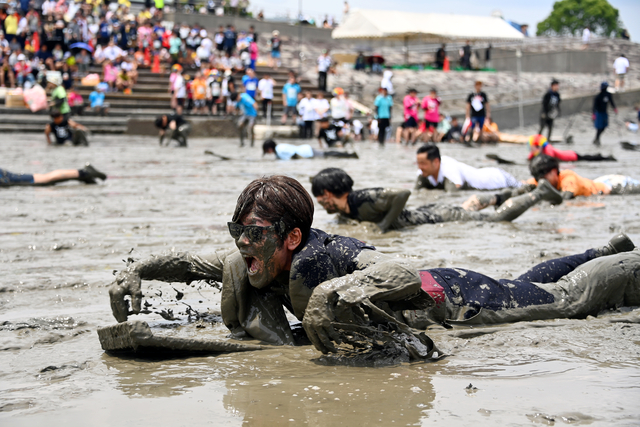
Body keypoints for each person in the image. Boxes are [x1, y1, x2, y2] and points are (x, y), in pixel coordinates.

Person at [108, 175, 640, 361]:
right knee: (531, 278)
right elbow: (192, 263)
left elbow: (403, 270)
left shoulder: (320, 259)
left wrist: (331, 299)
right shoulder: (260, 259)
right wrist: (139, 268)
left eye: (254, 235)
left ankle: (628, 261)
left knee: (564, 300)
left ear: (291, 238)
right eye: (238, 232)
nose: (242, 245)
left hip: (455, 300)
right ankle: (605, 248)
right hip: (451, 286)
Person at [312, 167, 562, 233]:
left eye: (321, 197)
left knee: (496, 220)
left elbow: (402, 194)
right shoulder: (345, 212)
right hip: (432, 213)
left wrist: (383, 226)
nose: (321, 202)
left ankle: (539, 191)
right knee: (474, 206)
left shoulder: (365, 198)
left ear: (333, 191)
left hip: (439, 216)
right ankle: (510, 193)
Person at [415, 144, 521, 191]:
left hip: (498, 178)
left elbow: (453, 194)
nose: (420, 167)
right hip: (491, 178)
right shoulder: (424, 173)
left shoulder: (449, 169)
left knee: (523, 187)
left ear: (436, 162)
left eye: (423, 163)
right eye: (418, 163)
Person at [528, 155, 640, 199]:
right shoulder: (539, 180)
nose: (540, 181)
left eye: (543, 177)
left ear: (553, 171)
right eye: (537, 178)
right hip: (597, 182)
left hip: (613, 185)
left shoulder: (569, 179)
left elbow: (564, 198)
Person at [1, 163, 106, 187]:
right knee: (45, 178)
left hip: (6, 178)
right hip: (5, 176)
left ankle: (84, 173)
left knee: (46, 179)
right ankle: (82, 175)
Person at [528, 134, 615, 162]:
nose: (531, 150)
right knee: (586, 157)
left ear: (538, 147)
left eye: (533, 148)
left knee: (588, 159)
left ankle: (604, 157)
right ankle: (598, 155)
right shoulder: (540, 150)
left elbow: (549, 158)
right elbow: (530, 157)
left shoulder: (548, 149)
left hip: (571, 156)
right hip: (570, 154)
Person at [262, 139, 357, 160]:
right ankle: (347, 154)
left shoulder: (280, 150)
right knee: (326, 154)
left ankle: (348, 155)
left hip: (306, 152)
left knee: (326, 155)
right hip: (306, 149)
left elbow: (294, 154)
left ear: (269, 149)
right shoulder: (279, 148)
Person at [592, 82, 617, 146]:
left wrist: (614, 108)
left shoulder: (608, 95)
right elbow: (594, 106)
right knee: (599, 127)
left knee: (604, 127)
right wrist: (593, 114)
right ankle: (597, 139)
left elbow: (611, 102)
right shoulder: (598, 96)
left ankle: (597, 138)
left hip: (604, 113)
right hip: (599, 113)